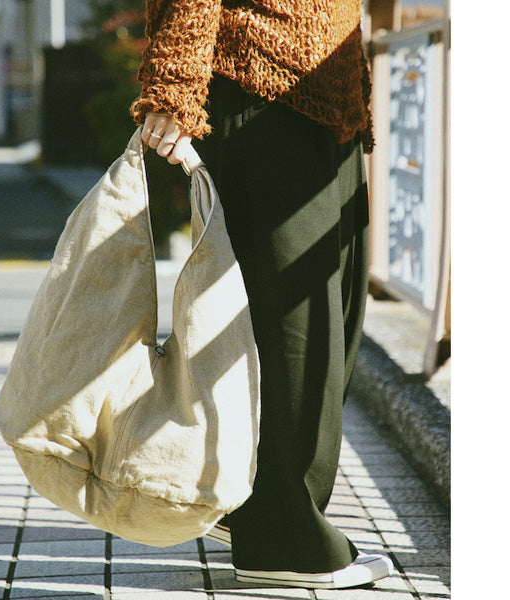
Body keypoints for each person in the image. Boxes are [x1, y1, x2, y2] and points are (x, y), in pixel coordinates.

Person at [130, 0, 394, 590]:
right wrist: (174, 86)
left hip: (326, 91)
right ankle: (283, 539)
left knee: (332, 316)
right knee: (293, 323)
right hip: (263, 86)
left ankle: (252, 504)